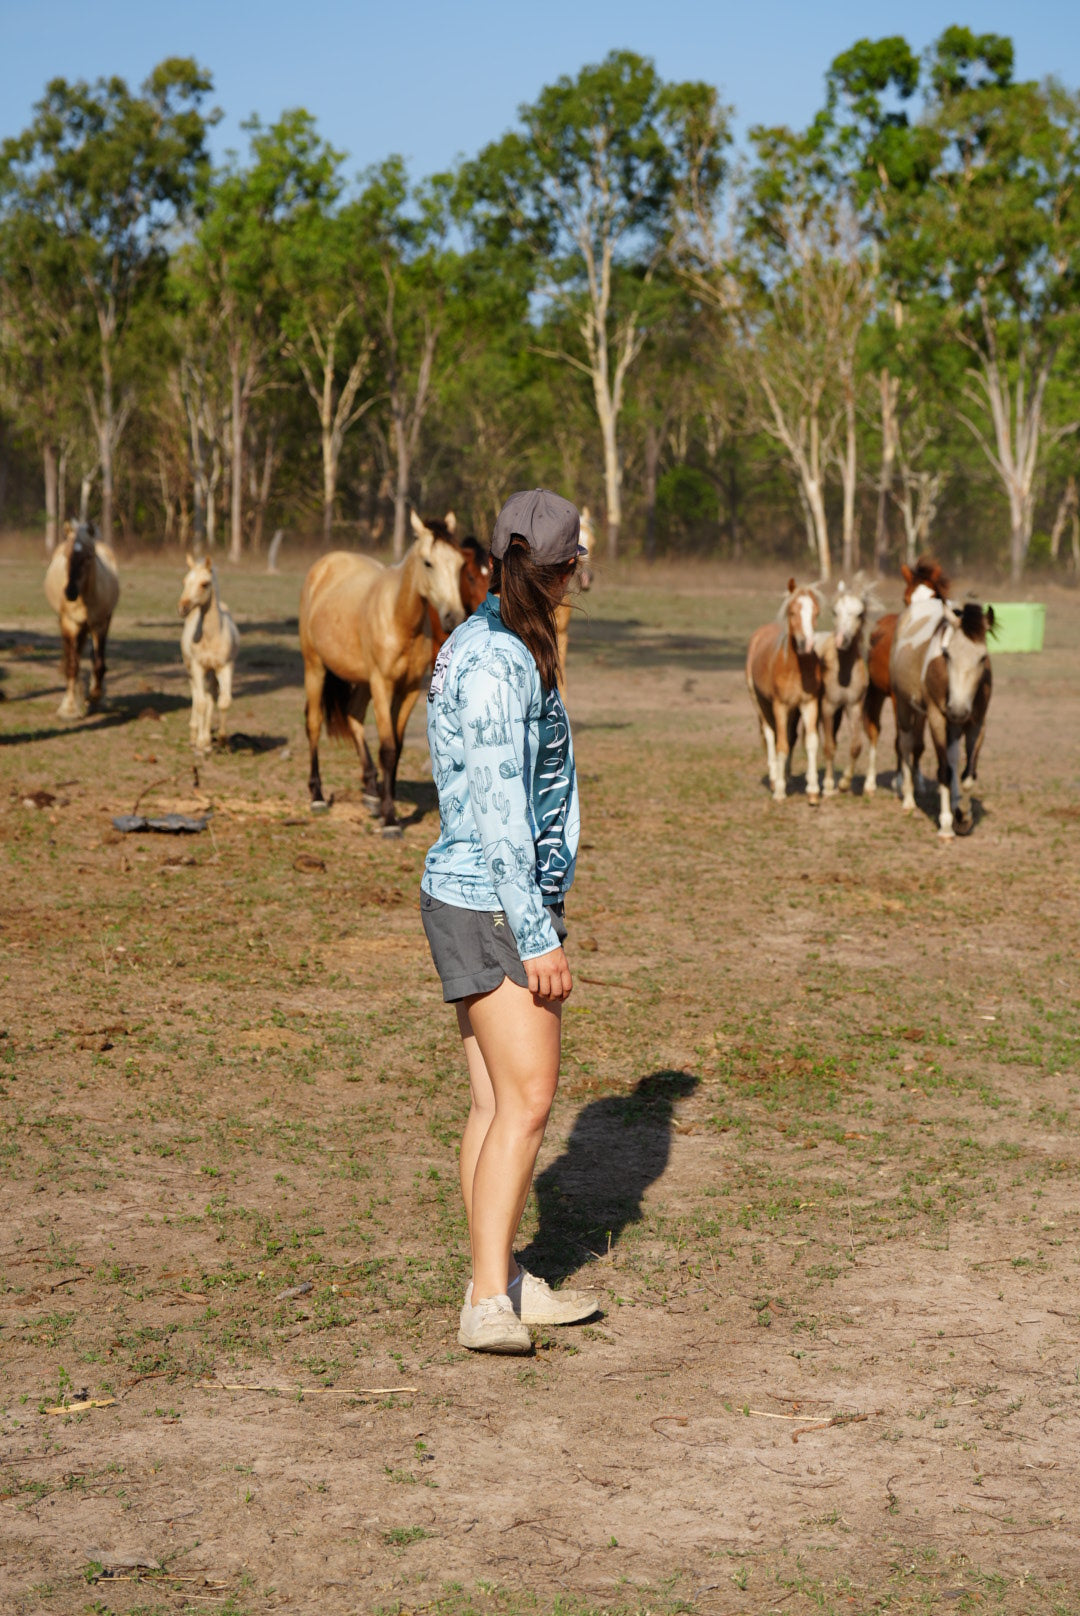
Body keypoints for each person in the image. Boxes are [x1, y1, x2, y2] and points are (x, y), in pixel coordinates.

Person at [420, 488, 599, 1353]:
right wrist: (537, 936)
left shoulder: (484, 639)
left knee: (494, 1104)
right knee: (527, 1101)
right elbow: (498, 813)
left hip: (471, 894)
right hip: (494, 903)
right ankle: (488, 1302)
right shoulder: (497, 661)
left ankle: (500, 1278)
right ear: (560, 572)